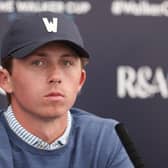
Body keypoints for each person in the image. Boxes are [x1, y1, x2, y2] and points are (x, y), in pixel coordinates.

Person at [0, 12, 134, 168]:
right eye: (38, 63)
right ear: (5, 79)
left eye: (67, 63)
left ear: (80, 80)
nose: (55, 76)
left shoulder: (106, 138)